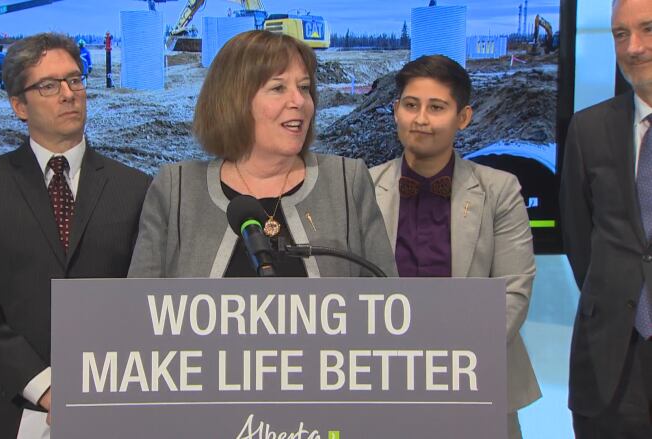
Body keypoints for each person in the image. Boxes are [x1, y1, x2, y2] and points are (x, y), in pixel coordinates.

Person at [0, 33, 150, 439]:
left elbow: (145, 300)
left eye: (75, 80)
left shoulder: (136, 188)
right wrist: (45, 387)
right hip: (2, 405)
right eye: (49, 86)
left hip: (107, 406)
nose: (69, 94)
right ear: (19, 105)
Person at [128, 30, 396, 278]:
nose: (299, 102)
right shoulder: (175, 190)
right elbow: (139, 314)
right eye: (278, 88)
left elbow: (385, 308)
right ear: (234, 102)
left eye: (304, 87)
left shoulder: (348, 182)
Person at [369, 55, 540, 439]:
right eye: (411, 105)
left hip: (477, 382)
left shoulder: (500, 190)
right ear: (396, 111)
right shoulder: (363, 187)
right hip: (385, 388)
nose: (421, 119)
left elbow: (513, 292)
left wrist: (450, 365)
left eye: (437, 107)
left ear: (463, 117)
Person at [561, 0, 652, 436]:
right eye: (620, 34)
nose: (633, 47)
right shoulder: (588, 129)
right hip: (611, 363)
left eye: (648, 29)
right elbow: (580, 242)